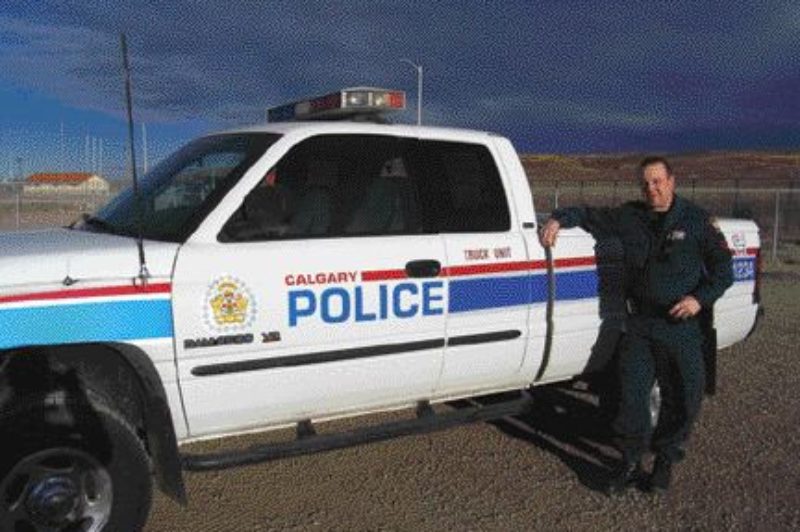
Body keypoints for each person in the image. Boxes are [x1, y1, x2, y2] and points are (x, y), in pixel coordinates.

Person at [539, 156, 733, 494]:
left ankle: (664, 462)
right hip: (640, 324)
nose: (651, 189)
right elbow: (588, 214)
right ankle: (628, 462)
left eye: (657, 181)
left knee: (684, 398)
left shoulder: (697, 221)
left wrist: (699, 300)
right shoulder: (629, 217)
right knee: (631, 398)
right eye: (645, 183)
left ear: (672, 181)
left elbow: (723, 271)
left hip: (680, 325)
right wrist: (558, 219)